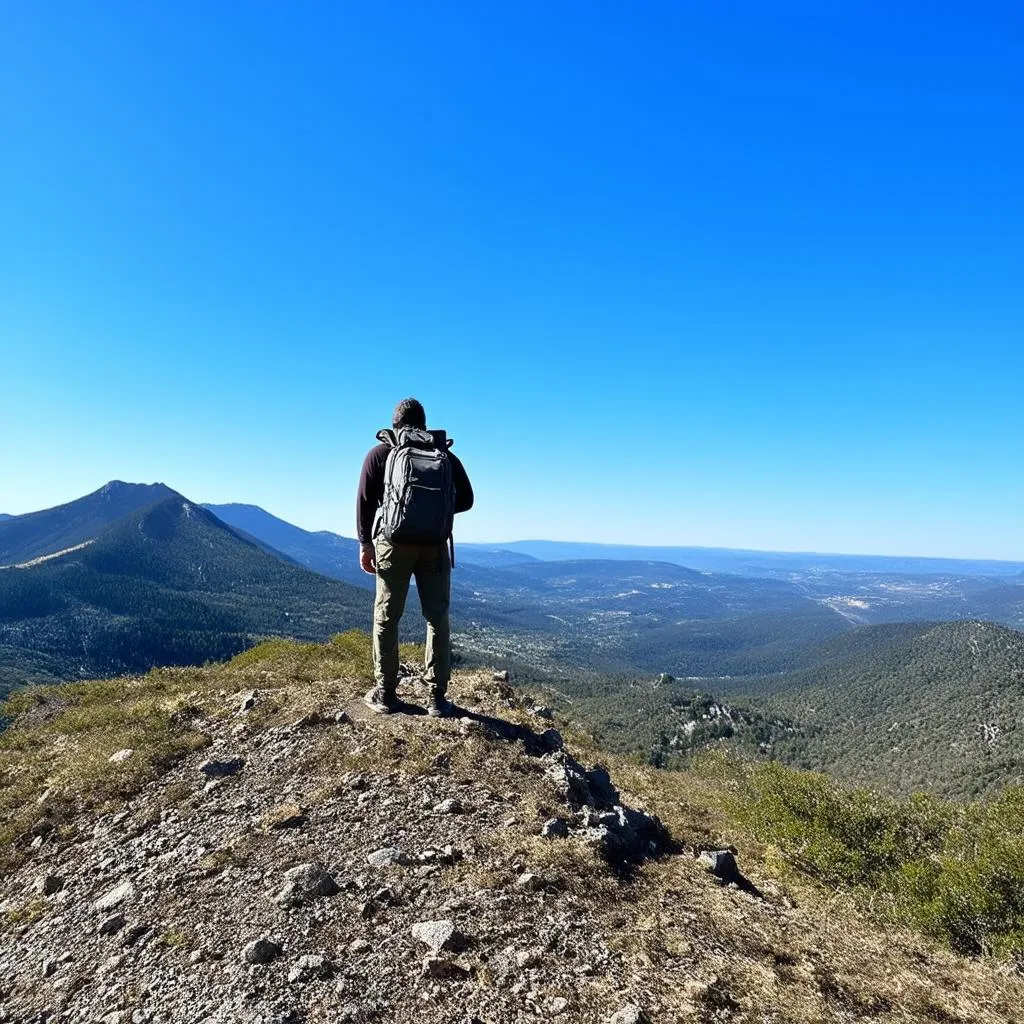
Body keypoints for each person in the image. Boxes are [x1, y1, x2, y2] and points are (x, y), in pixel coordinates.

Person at [356, 398, 474, 716]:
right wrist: (433, 513)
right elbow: (467, 499)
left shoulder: (381, 453)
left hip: (393, 545)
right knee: (436, 617)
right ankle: (436, 697)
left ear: (395, 423)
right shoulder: (443, 455)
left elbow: (366, 501)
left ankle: (386, 693)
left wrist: (366, 544)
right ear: (424, 423)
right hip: (434, 544)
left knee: (387, 616)